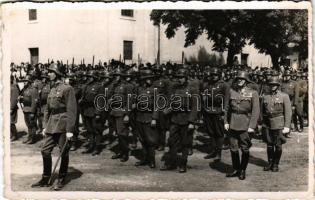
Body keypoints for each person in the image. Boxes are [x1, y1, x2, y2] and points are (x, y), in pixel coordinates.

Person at [31, 63, 77, 191]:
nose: (49, 74)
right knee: (45, 150)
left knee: (64, 152)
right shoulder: (51, 89)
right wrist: (45, 125)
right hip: (52, 124)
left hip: (63, 124)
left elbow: (72, 110)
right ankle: (45, 178)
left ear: (57, 74)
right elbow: (47, 109)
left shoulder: (68, 89)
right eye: (49, 72)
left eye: (51, 72)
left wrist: (70, 130)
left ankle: (61, 178)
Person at [160, 68, 198, 173]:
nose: (180, 79)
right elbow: (171, 101)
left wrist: (191, 122)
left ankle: (183, 164)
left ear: (186, 78)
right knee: (172, 141)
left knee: (185, 142)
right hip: (175, 118)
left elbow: (195, 107)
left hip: (186, 119)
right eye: (178, 78)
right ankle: (172, 162)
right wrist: (168, 109)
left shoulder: (192, 89)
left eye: (182, 77)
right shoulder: (174, 88)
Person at [224, 71, 260, 180]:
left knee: (245, 148)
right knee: (233, 148)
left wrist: (252, 126)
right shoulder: (231, 92)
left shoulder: (253, 93)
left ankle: (243, 170)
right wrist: (226, 121)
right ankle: (236, 169)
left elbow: (256, 111)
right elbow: (226, 108)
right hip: (233, 122)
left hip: (245, 123)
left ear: (246, 81)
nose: (240, 80)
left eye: (242, 79)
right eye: (238, 79)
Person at [262, 76, 291, 172]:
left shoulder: (284, 96)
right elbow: (262, 111)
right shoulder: (265, 96)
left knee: (278, 145)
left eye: (274, 85)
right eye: (271, 85)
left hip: (279, 123)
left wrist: (287, 126)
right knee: (269, 144)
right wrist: (261, 123)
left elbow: (288, 112)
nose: (272, 86)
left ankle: (275, 163)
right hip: (267, 123)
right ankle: (270, 163)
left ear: (278, 85)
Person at [201, 67, 229, 162]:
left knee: (219, 133)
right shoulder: (208, 84)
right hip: (209, 111)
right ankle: (213, 151)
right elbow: (204, 97)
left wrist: (224, 112)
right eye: (212, 75)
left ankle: (218, 153)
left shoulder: (224, 85)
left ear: (219, 75)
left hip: (218, 111)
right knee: (211, 132)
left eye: (216, 75)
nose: (214, 77)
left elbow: (226, 100)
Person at [134, 69, 159, 168]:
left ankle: (152, 160)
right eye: (148, 78)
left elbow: (157, 105)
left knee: (150, 140)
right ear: (144, 79)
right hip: (140, 117)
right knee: (142, 139)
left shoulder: (155, 90)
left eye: (150, 78)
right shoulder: (139, 89)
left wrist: (154, 118)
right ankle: (145, 159)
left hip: (149, 117)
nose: (150, 80)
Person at [80, 70, 105, 156]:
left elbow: (101, 101)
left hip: (95, 111)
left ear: (94, 78)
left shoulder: (99, 87)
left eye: (91, 77)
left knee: (96, 130)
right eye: (89, 77)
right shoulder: (86, 86)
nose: (89, 78)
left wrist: (98, 113)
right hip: (87, 110)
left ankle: (97, 148)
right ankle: (91, 146)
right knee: (89, 130)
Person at [19, 73, 39, 144]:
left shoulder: (33, 90)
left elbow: (34, 101)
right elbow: (24, 98)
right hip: (26, 109)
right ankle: (29, 137)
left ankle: (32, 138)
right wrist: (21, 99)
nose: (24, 82)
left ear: (29, 81)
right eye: (24, 81)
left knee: (32, 125)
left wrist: (33, 112)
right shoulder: (24, 89)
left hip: (31, 110)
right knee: (28, 125)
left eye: (26, 81)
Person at [11, 75, 20, 141]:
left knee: (11, 122)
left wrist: (11, 108)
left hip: (11, 107)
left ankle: (14, 135)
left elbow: (14, 99)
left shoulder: (14, 87)